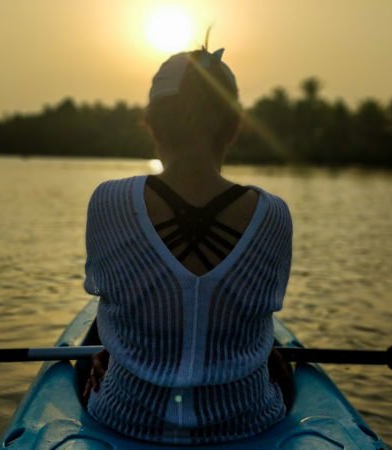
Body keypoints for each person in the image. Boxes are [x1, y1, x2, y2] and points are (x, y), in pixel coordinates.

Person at [81, 46, 294, 445]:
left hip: (123, 420)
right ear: (233, 127)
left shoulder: (107, 202)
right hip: (247, 424)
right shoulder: (274, 216)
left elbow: (111, 303)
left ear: (152, 124)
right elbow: (260, 313)